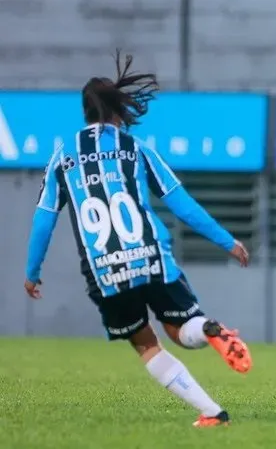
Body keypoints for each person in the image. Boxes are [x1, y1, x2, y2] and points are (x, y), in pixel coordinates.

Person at [23, 51, 251, 427]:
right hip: (152, 256)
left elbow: (44, 220)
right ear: (117, 110)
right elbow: (182, 203)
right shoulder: (135, 148)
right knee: (182, 327)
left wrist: (32, 272)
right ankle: (210, 328)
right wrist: (227, 241)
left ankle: (213, 412)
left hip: (105, 270)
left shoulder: (63, 157)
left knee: (146, 343)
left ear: (84, 113)